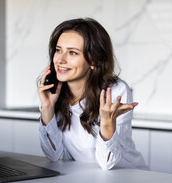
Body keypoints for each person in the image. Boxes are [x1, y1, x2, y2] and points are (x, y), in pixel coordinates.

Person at [37, 18, 146, 170]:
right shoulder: (56, 93)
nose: (60, 60)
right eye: (58, 50)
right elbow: (53, 155)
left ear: (93, 60)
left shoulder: (114, 91)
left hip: (127, 178)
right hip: (85, 179)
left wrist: (107, 123)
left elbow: (107, 163)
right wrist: (47, 108)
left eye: (72, 52)